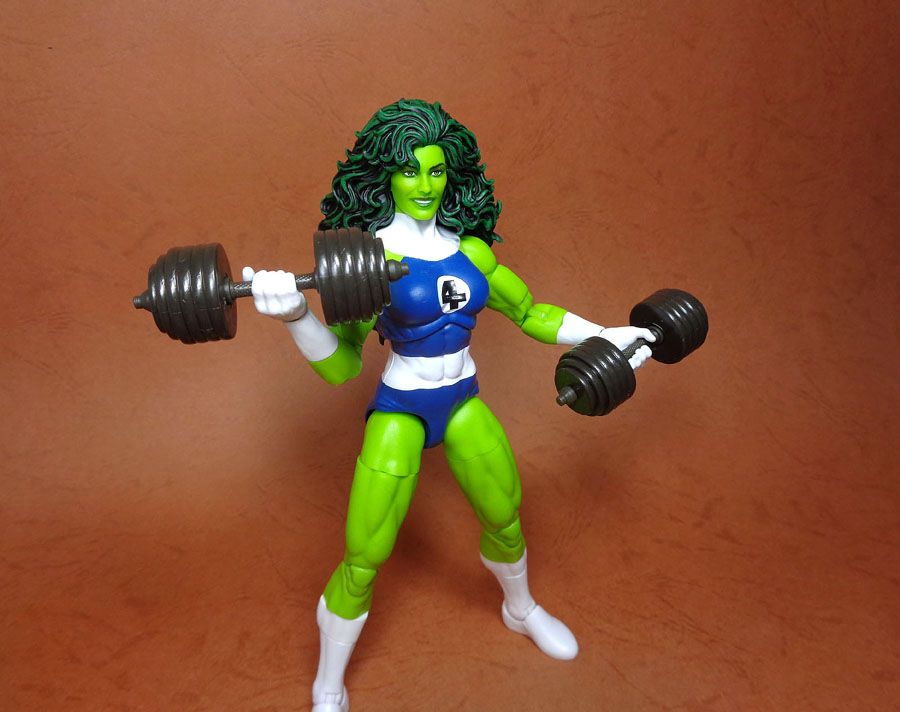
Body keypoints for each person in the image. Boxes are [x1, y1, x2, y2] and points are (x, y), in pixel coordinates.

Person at [243, 99, 654, 712]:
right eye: (409, 171)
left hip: (462, 398)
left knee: (505, 514)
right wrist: (297, 314)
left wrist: (607, 333)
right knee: (365, 553)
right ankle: (329, 684)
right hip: (402, 407)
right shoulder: (368, 261)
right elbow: (341, 366)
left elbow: (531, 313)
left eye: (435, 170)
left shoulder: (473, 252)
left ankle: (520, 609)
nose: (424, 185)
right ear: (386, 176)